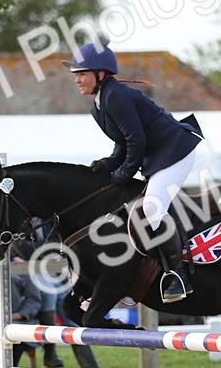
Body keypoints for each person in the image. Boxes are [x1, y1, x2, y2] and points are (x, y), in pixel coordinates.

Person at [63, 38, 203, 303]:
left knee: (151, 208)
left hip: (176, 152)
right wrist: (108, 164)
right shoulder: (99, 104)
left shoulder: (115, 95)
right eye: (76, 75)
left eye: (81, 74)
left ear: (100, 74)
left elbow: (137, 142)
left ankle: (178, 275)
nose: (77, 80)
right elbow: (124, 142)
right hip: (157, 157)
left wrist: (123, 174)